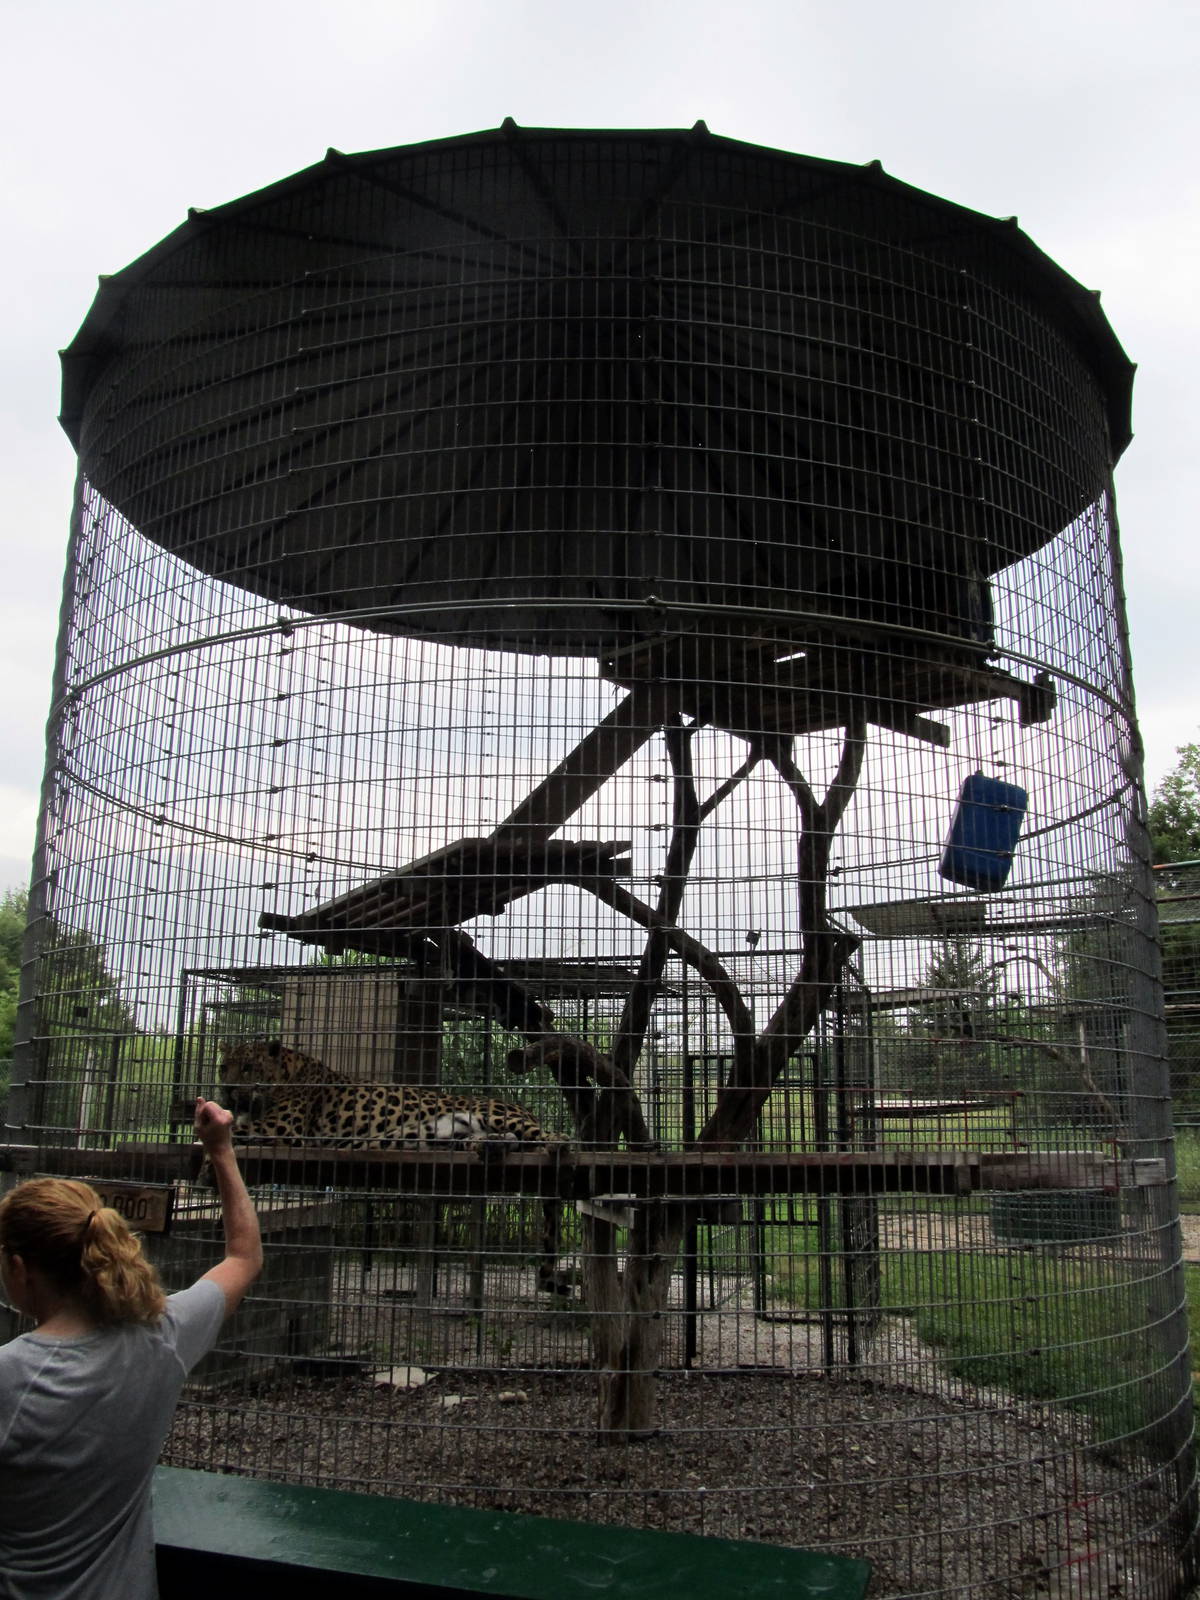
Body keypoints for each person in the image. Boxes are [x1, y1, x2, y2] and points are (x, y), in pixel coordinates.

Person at [0, 1100, 262, 1599]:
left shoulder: (10, 1376)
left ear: (18, 1268)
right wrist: (221, 1149)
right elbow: (244, 1256)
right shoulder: (161, 1337)